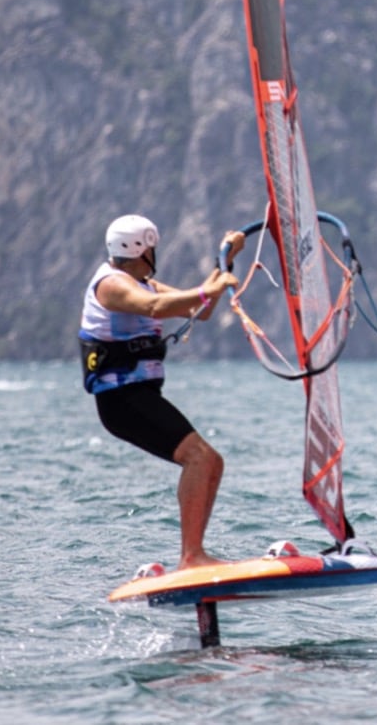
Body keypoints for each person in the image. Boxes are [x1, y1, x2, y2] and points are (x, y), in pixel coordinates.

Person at [78, 214, 244, 570]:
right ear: (141, 248)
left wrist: (225, 260)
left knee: (211, 461)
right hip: (121, 401)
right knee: (199, 458)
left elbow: (198, 309)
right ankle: (192, 557)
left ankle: (194, 554)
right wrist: (208, 289)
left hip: (141, 397)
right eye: (153, 247)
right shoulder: (111, 284)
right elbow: (153, 307)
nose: (156, 253)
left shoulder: (145, 283)